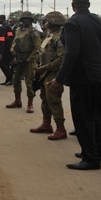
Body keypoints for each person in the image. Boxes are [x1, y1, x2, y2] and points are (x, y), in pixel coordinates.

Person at [50, 0, 101, 170]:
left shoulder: (72, 23)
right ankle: (99, 150)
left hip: (84, 77)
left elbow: (71, 53)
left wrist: (59, 79)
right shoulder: (99, 21)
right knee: (97, 114)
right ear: (89, 4)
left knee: (83, 117)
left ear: (72, 5)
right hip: (100, 74)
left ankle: (90, 157)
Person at [30, 11, 67, 140]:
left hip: (52, 74)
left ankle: (60, 129)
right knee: (45, 100)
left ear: (51, 23)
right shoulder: (50, 36)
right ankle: (46, 124)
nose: (45, 23)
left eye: (46, 21)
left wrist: (45, 68)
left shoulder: (59, 38)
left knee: (54, 100)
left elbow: (61, 59)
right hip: (45, 73)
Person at [5, 11, 41, 112]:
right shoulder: (18, 30)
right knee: (16, 80)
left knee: (29, 82)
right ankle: (17, 100)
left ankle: (30, 103)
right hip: (18, 58)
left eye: (28, 19)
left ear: (31, 20)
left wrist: (29, 59)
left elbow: (37, 47)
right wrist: (12, 50)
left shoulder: (34, 31)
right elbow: (14, 42)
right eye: (24, 19)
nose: (26, 20)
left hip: (29, 60)